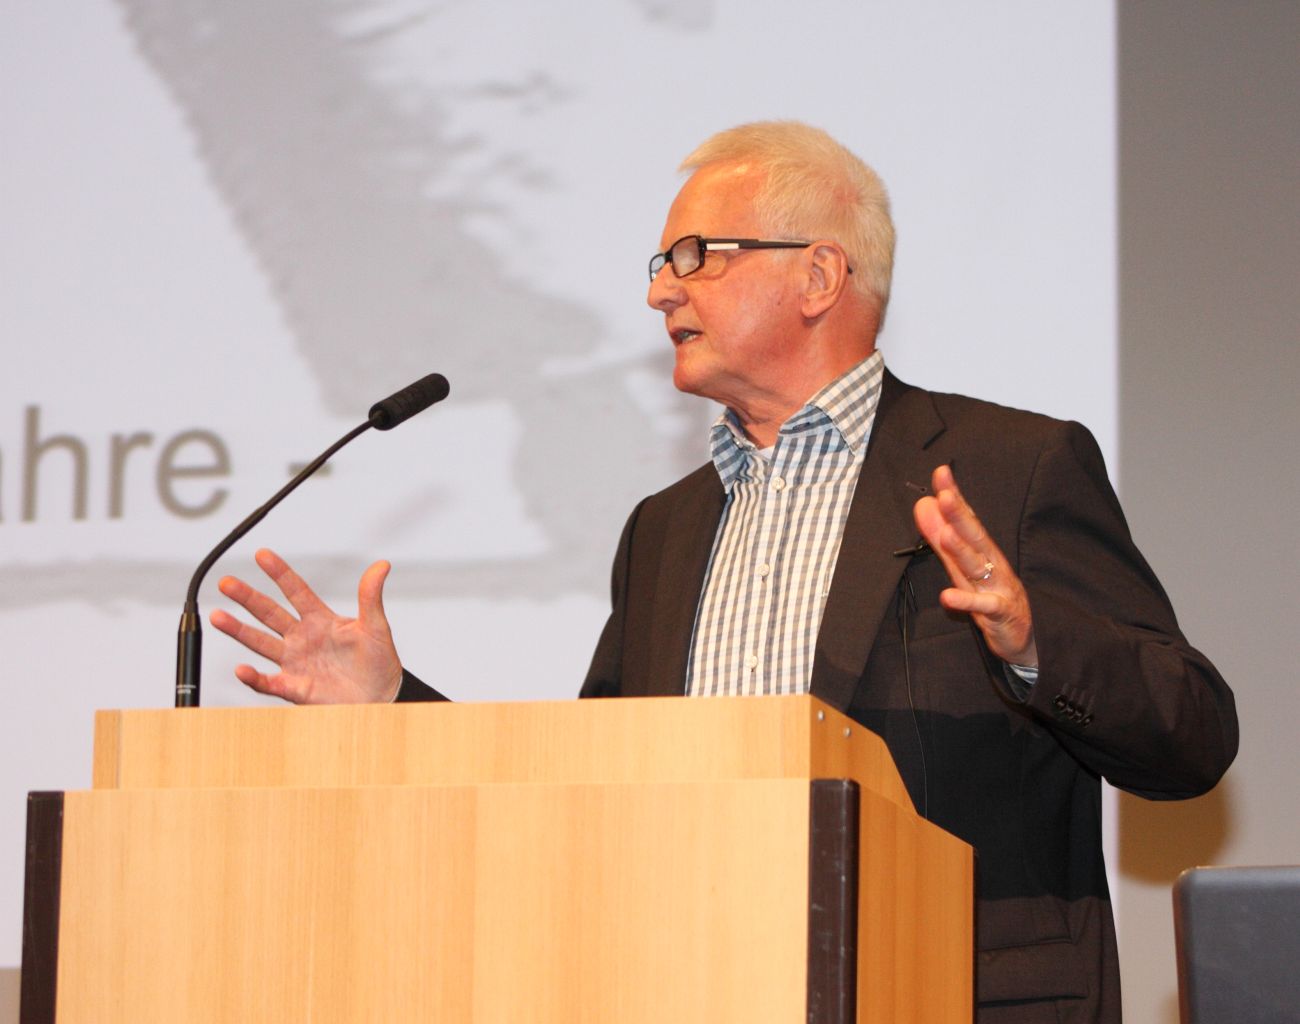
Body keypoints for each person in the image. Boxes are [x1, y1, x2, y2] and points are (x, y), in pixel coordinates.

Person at [211, 121, 1238, 1023]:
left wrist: (1034, 642)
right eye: (662, 262)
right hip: (696, 988)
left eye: (695, 256)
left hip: (950, 995)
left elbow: (1191, 735)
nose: (660, 289)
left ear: (818, 277)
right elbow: (584, 792)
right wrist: (392, 705)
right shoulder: (665, 529)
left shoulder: (1010, 468)